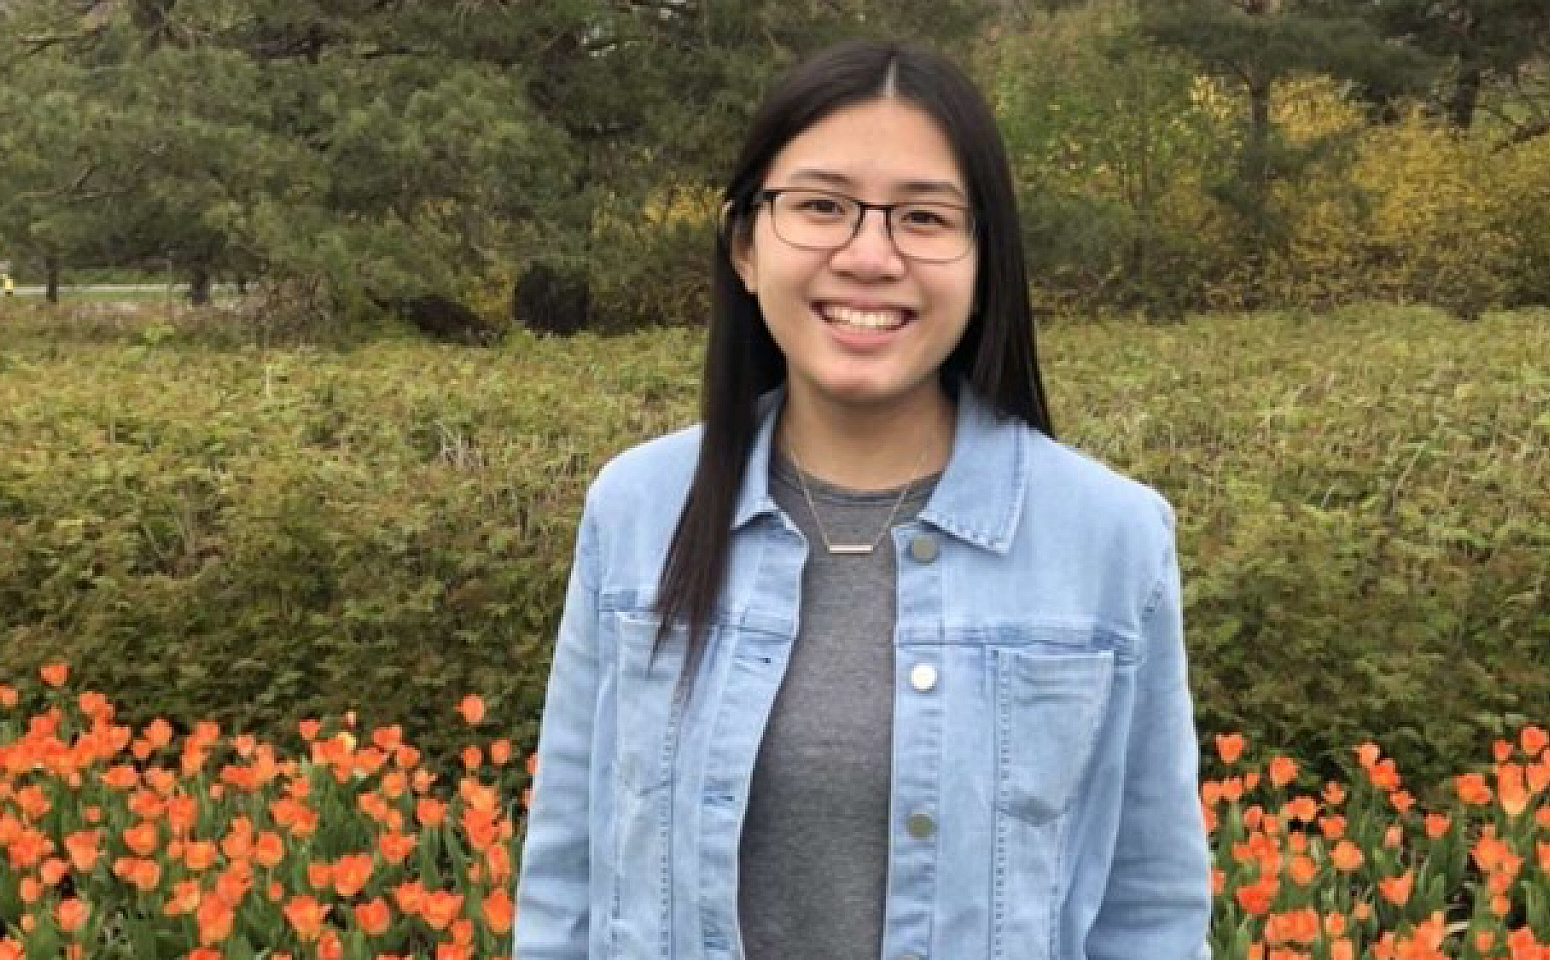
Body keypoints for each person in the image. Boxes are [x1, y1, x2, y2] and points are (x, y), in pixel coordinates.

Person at [514, 39, 1211, 960]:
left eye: (923, 218)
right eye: (821, 207)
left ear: (983, 261)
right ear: (745, 247)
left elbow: (1150, 912)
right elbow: (566, 876)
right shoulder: (639, 510)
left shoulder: (1108, 539)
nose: (869, 255)